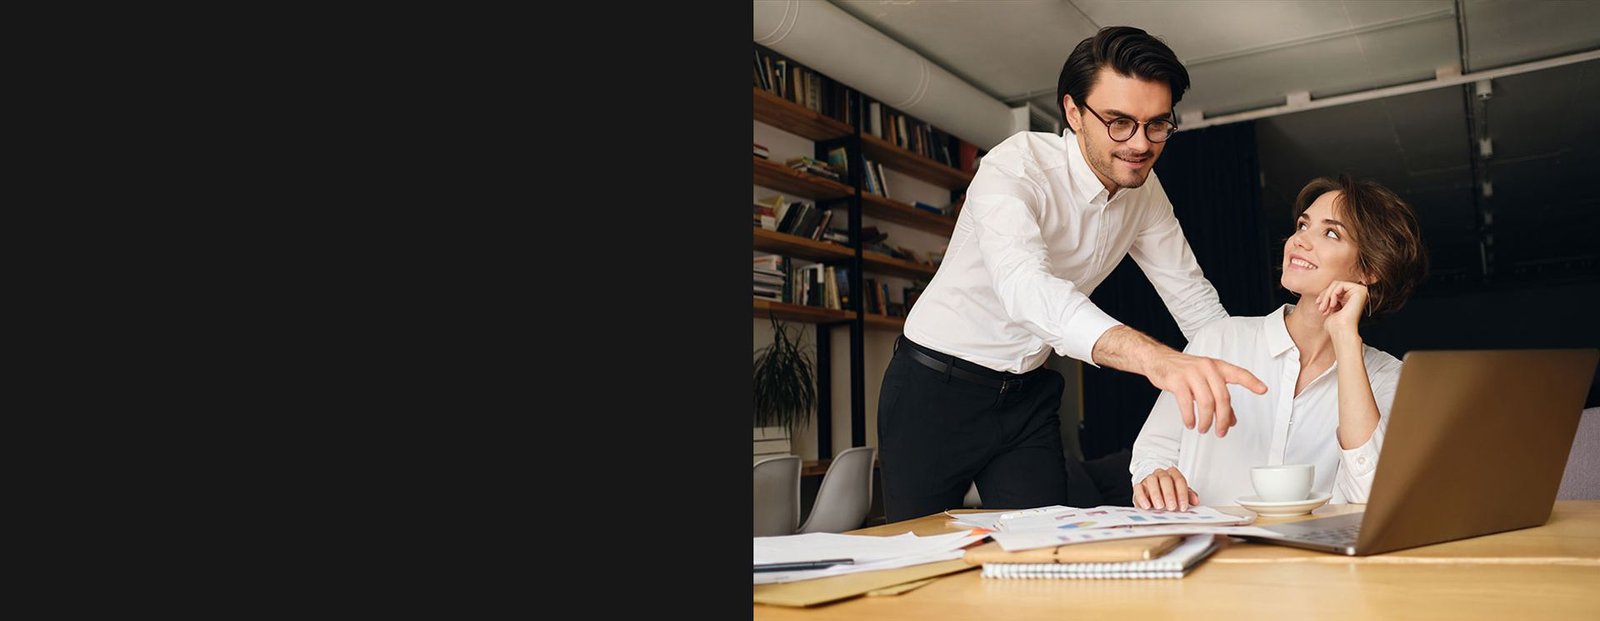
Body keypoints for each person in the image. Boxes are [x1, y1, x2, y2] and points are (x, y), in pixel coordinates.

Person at [877, 25, 1268, 523]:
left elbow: (1193, 300)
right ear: (1073, 112)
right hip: (934, 387)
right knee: (919, 550)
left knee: (1045, 545)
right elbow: (1027, 289)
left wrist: (1262, 380)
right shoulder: (1014, 168)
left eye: (1157, 125)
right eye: (1120, 123)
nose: (1140, 144)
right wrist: (1157, 360)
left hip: (1026, 396)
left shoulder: (1145, 193)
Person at [1129, 174, 1428, 511]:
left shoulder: (1388, 377)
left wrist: (1345, 338)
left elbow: (1371, 496)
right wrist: (1155, 477)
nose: (1300, 240)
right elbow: (1153, 451)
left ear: (1369, 271)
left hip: (1313, 547)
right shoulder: (1219, 339)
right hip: (1208, 541)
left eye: (1331, 233)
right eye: (1303, 225)